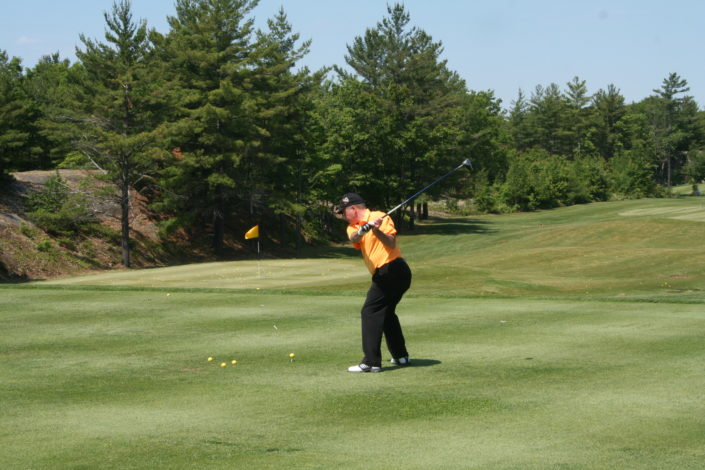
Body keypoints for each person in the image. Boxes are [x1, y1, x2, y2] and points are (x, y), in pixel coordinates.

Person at [336, 193, 411, 373]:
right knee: (386, 313)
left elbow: (391, 243)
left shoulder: (380, 216)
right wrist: (363, 229)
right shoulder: (352, 227)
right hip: (385, 273)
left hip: (393, 269)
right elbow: (354, 238)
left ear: (353, 208)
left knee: (370, 312)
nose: (343, 215)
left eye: (344, 212)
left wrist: (376, 231)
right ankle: (400, 356)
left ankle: (371, 362)